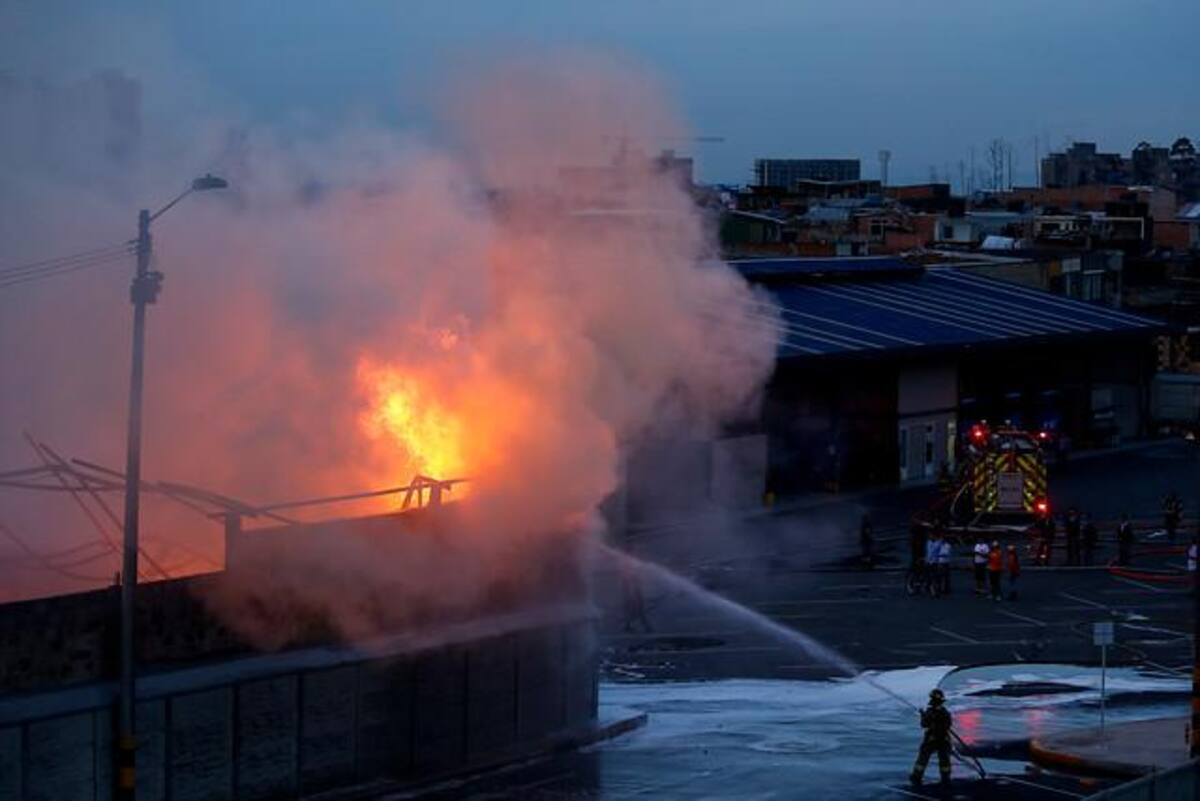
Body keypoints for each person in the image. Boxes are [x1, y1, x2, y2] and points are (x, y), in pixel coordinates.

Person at [910, 688, 954, 786]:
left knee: (940, 760)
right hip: (939, 740)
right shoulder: (937, 712)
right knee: (926, 759)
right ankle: (944, 779)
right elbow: (924, 724)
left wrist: (927, 719)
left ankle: (917, 778)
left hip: (937, 739)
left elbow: (943, 726)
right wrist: (923, 716)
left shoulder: (942, 713)